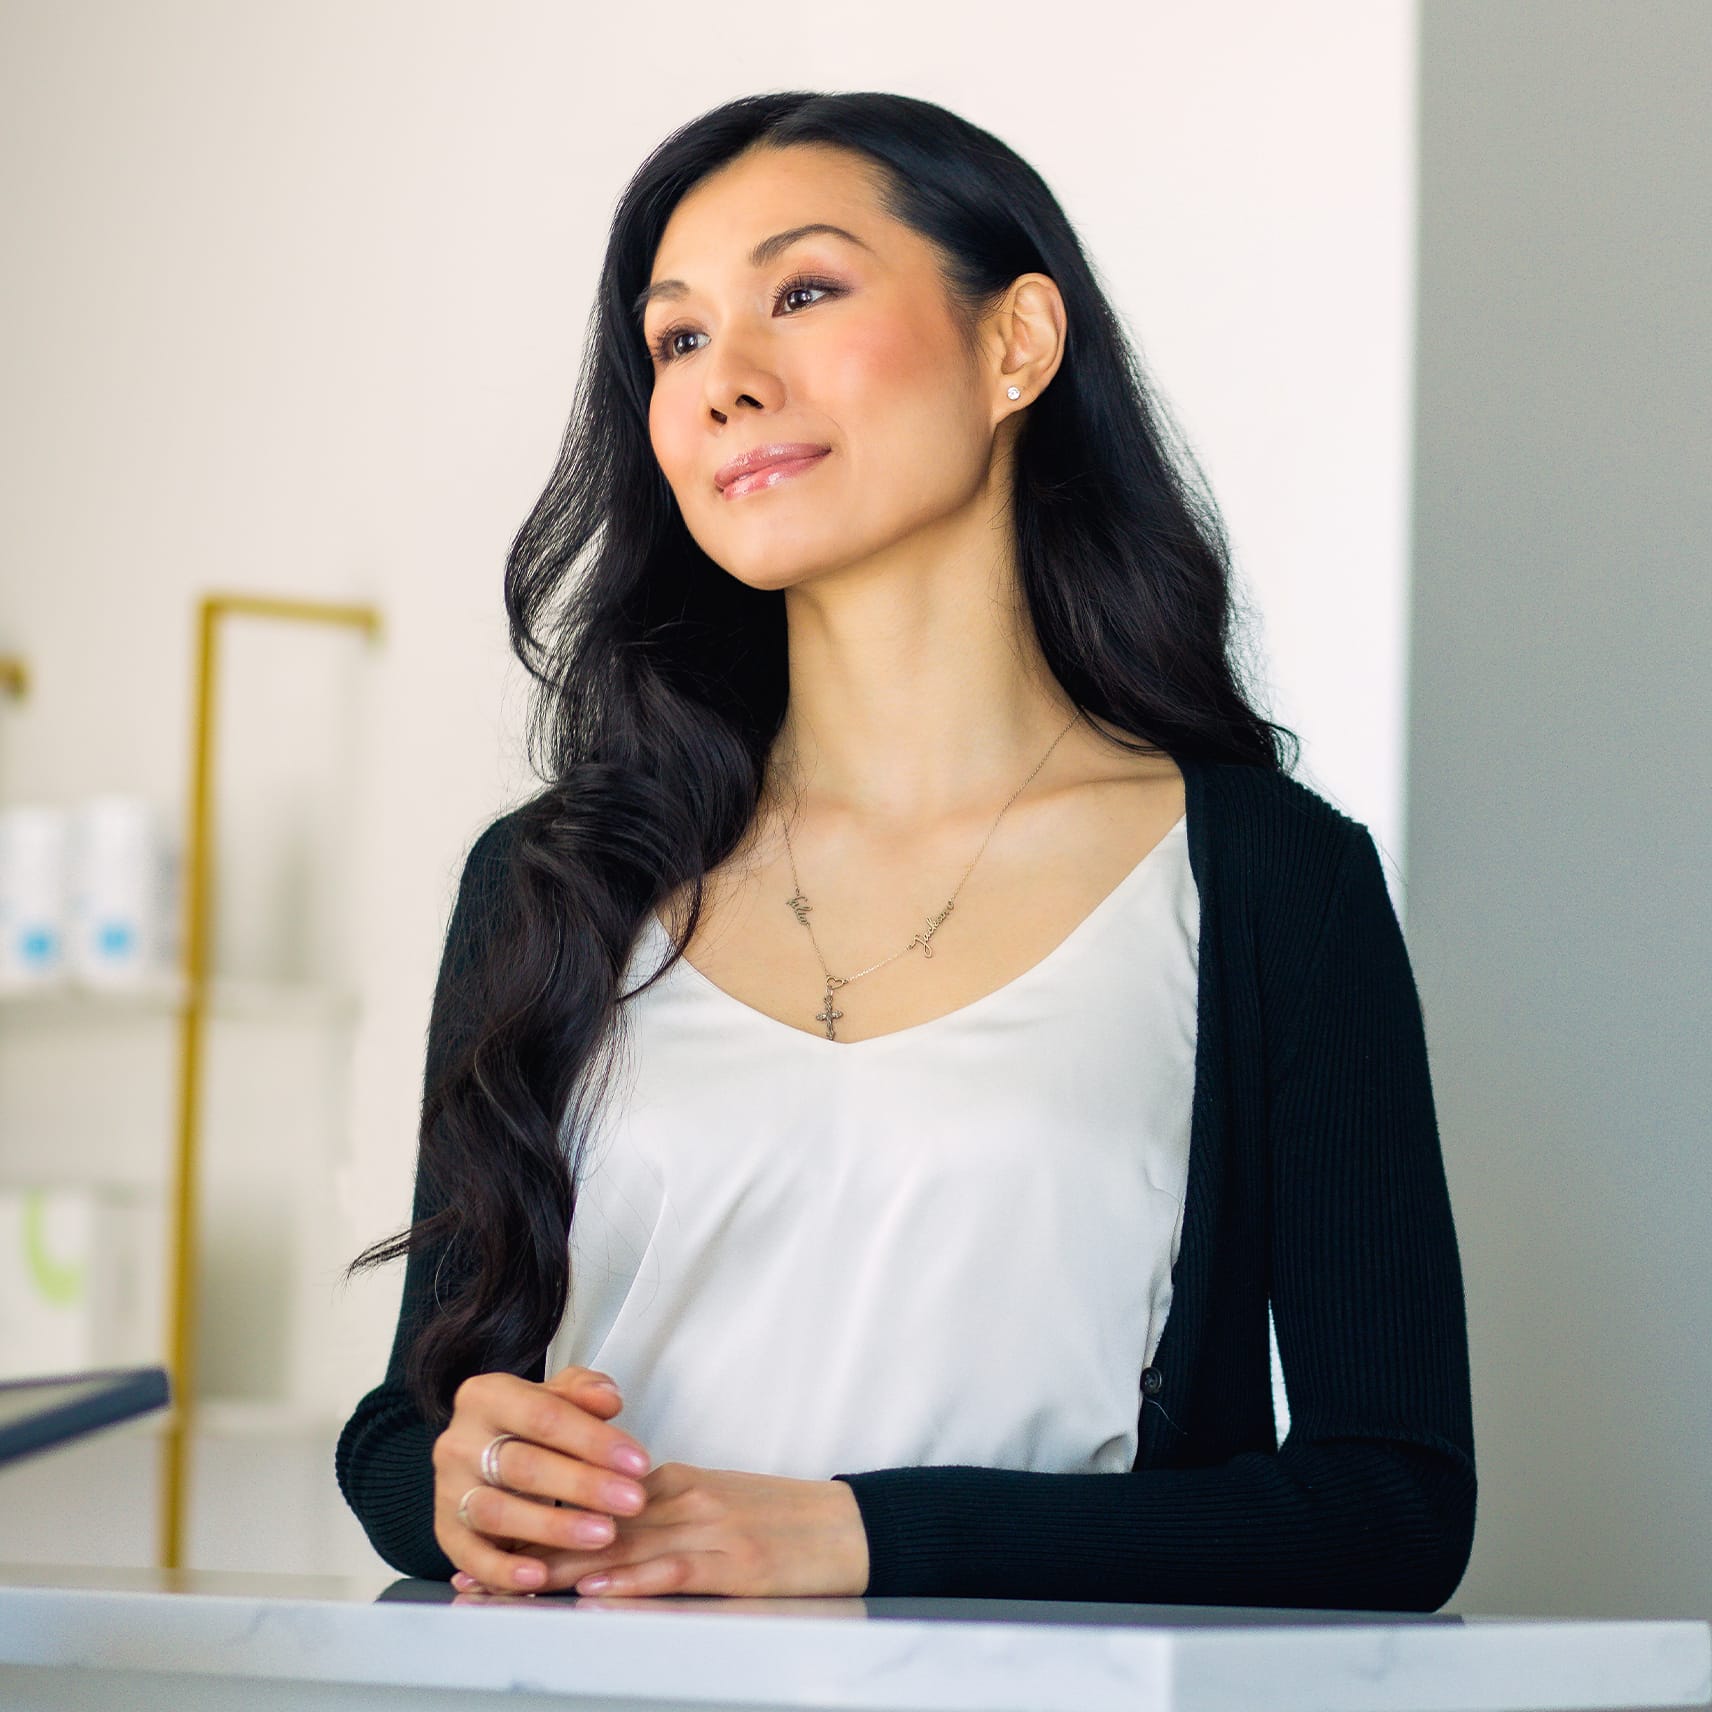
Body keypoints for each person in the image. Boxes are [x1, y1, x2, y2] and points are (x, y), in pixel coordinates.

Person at [335, 90, 1476, 1608]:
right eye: (676, 340)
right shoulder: (559, 878)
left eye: (802, 294)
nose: (725, 382)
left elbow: (1389, 1503)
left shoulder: (1271, 885)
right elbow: (406, 1431)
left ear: (1016, 344)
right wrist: (460, 1483)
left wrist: (864, 1535)